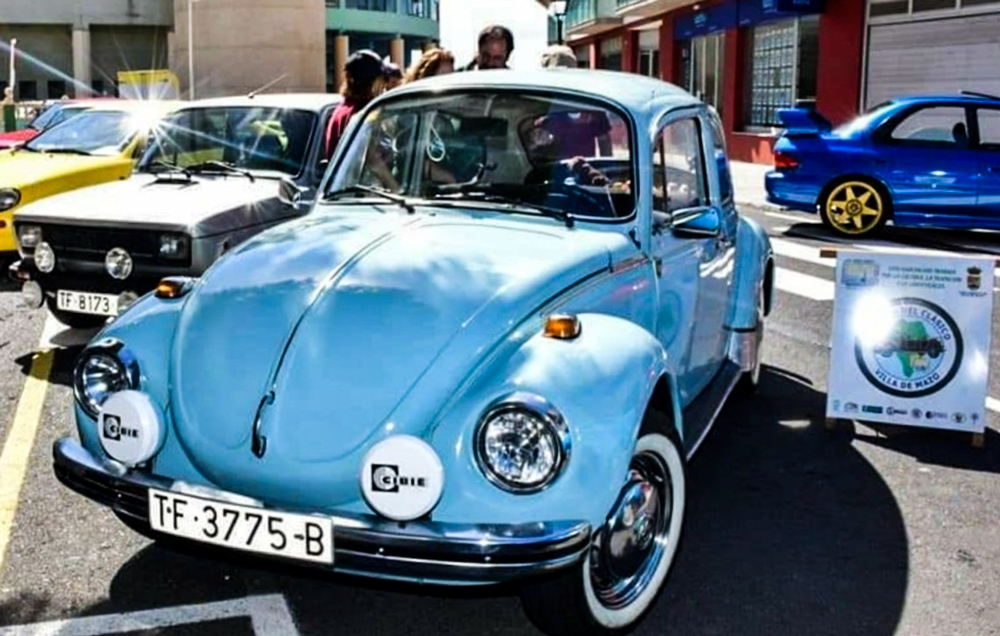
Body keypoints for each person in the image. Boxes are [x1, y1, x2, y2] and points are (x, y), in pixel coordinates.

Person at [325, 49, 387, 160]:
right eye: (381, 79)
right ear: (372, 82)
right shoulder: (364, 112)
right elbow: (373, 160)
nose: (383, 86)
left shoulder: (340, 110)